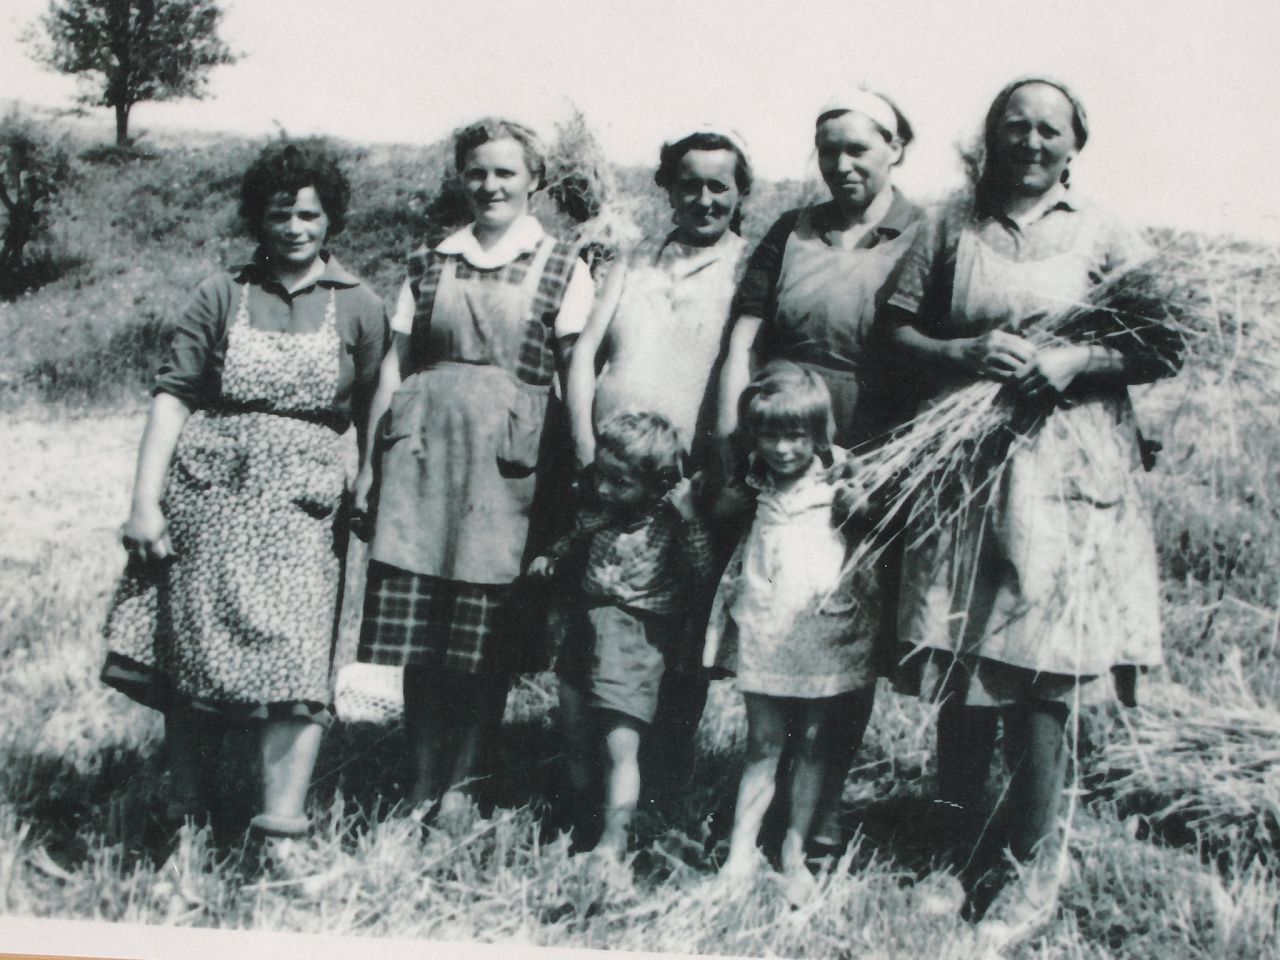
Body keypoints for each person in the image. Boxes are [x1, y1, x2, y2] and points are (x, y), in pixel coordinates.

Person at [883, 77, 1179, 941]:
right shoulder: (951, 224)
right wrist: (963, 351)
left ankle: (1031, 867)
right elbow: (894, 330)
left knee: (1043, 668)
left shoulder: (1104, 231)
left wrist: (1076, 361)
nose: (1031, 141)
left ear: (1075, 143)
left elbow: (1167, 344)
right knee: (961, 658)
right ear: (991, 136)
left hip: (1064, 471)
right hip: (965, 465)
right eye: (1015, 126)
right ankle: (956, 852)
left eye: (1050, 129)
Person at [102, 141, 387, 848]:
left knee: (298, 660)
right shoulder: (221, 293)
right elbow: (173, 396)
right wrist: (144, 503)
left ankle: (280, 831)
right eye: (279, 214)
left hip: (304, 505)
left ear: (331, 219)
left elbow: (378, 404)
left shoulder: (359, 304)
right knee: (193, 656)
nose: (294, 228)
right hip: (210, 496)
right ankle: (188, 818)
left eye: (309, 215)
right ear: (258, 219)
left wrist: (369, 481)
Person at [353, 118, 594, 820]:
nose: (490, 185)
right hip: (423, 462)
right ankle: (420, 783)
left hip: (507, 473)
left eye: (505, 172)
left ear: (534, 182)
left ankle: (463, 787)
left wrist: (584, 457)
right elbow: (394, 369)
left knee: (482, 640)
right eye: (477, 172)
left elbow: (576, 370)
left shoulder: (562, 266)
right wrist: (371, 467)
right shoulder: (429, 263)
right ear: (462, 178)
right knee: (420, 639)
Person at [715, 90, 925, 855]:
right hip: (781, 442)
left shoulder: (924, 233)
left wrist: (893, 468)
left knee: (845, 629)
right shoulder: (791, 230)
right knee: (774, 613)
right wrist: (732, 442)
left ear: (896, 148)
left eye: (858, 148)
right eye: (828, 149)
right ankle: (760, 800)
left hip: (869, 453)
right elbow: (743, 341)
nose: (841, 163)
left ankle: (821, 807)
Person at [566, 126, 752, 807]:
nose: (704, 199)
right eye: (689, 184)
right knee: (597, 621)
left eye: (719, 187)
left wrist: (719, 473)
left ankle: (659, 791)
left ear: (740, 194)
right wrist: (585, 447)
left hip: (687, 486)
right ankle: (585, 783)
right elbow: (584, 355)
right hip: (611, 474)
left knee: (680, 638)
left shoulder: (748, 269)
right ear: (668, 188)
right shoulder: (634, 260)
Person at [703, 363, 876, 904]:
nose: (782, 449)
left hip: (822, 625)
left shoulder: (841, 471)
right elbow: (722, 513)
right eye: (770, 435)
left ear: (818, 431)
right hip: (767, 620)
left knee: (815, 742)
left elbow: (874, 516)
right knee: (763, 741)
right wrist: (728, 500)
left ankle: (793, 853)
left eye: (796, 435)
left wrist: (860, 506)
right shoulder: (752, 474)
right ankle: (740, 853)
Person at [530, 411, 715, 876]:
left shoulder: (670, 521)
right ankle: (579, 817)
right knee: (574, 731)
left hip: (636, 636)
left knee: (620, 744)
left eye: (619, 482)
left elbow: (703, 569)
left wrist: (689, 515)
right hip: (586, 626)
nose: (605, 490)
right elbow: (575, 537)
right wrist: (551, 556)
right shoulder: (601, 513)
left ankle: (614, 838)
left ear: (658, 484)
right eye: (601, 476)